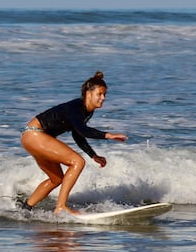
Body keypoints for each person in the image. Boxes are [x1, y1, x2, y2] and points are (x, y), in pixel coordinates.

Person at [20, 71, 128, 215]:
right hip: (35, 134)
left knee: (56, 179)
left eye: (104, 94)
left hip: (32, 137)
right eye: (99, 94)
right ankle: (61, 207)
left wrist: (93, 155)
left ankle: (25, 209)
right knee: (77, 162)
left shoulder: (86, 111)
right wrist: (109, 135)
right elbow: (83, 130)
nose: (103, 98)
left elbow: (78, 134)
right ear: (88, 93)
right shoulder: (76, 107)